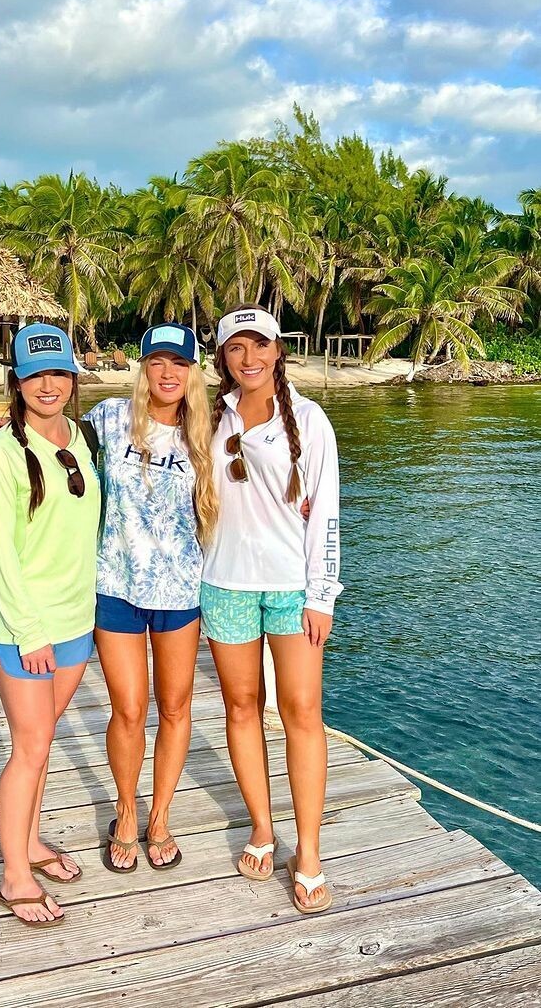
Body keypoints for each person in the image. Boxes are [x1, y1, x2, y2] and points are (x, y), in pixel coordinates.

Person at [201, 304, 342, 914]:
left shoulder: (308, 420)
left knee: (302, 712)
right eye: (236, 347)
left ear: (278, 350)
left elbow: (326, 511)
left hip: (291, 588)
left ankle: (308, 852)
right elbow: (137, 425)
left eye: (260, 345)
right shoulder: (207, 415)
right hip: (224, 583)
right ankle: (262, 827)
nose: (249, 357)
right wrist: (11, 421)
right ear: (223, 357)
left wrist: (322, 593)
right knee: (241, 707)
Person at [0, 323, 100, 928]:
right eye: (34, 375)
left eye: (58, 373)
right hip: (25, 629)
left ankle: (28, 841)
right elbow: (0, 556)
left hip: (76, 621)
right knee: (30, 749)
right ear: (17, 381)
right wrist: (30, 632)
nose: (48, 386)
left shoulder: (81, 437)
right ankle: (14, 875)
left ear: (72, 376)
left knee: (42, 742)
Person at [85, 323, 218, 872]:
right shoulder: (109, 418)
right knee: (129, 709)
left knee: (176, 707)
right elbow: (51, 442)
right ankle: (125, 810)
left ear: (193, 372)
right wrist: (7, 427)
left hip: (180, 590)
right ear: (143, 368)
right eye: (157, 361)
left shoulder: (208, 435)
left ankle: (159, 815)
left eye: (179, 363)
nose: (167, 373)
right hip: (115, 585)